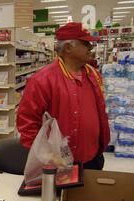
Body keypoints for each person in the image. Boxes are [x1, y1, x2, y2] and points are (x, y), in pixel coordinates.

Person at [17, 22, 110, 170]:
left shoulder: (93, 74)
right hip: (59, 163)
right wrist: (46, 155)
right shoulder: (42, 80)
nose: (91, 48)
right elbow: (27, 122)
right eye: (86, 43)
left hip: (94, 158)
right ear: (68, 48)